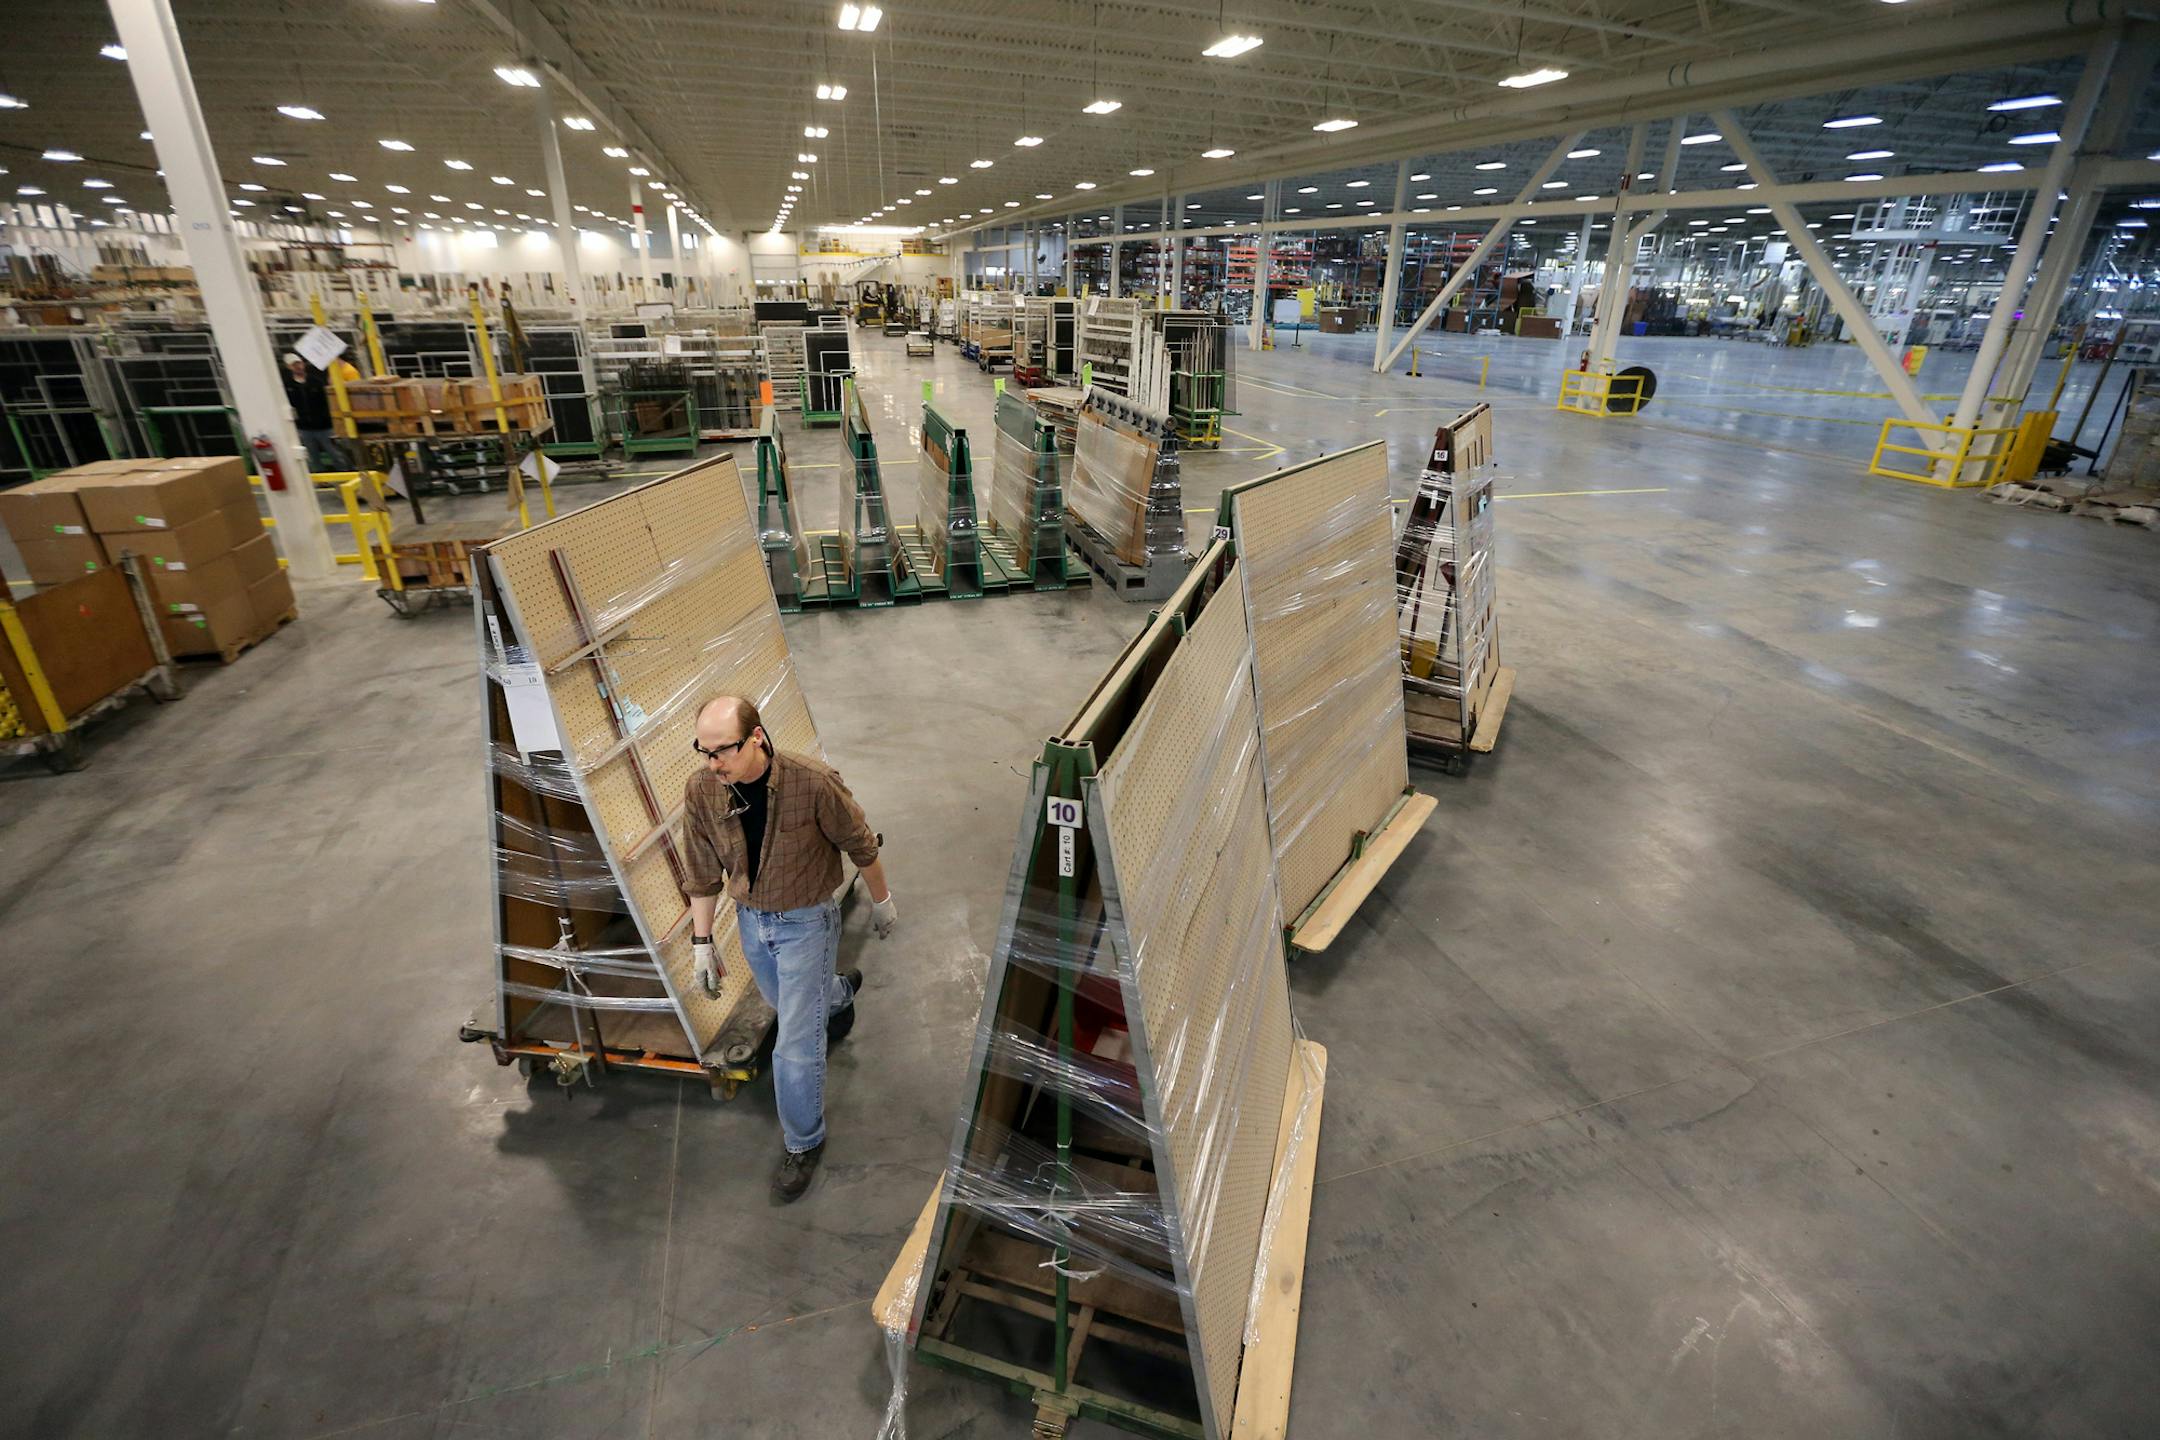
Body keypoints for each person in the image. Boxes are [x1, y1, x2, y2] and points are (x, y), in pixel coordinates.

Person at [681, 694, 896, 1201]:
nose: (714, 764)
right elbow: (700, 873)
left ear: (756, 737)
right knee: (787, 1001)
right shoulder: (702, 791)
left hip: (806, 924)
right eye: (704, 752)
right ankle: (839, 993)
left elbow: (861, 843)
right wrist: (701, 941)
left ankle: (804, 1141)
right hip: (752, 922)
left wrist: (883, 900)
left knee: (794, 1044)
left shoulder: (811, 782)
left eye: (724, 751)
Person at [281, 353, 344, 475]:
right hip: (304, 428)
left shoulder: (316, 382)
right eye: (294, 365)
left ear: (303, 364)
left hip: (324, 426)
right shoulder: (288, 386)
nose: (298, 367)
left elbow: (328, 402)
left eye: (299, 363)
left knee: (335, 452)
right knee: (312, 455)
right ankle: (320, 478)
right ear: (289, 367)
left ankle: (344, 473)